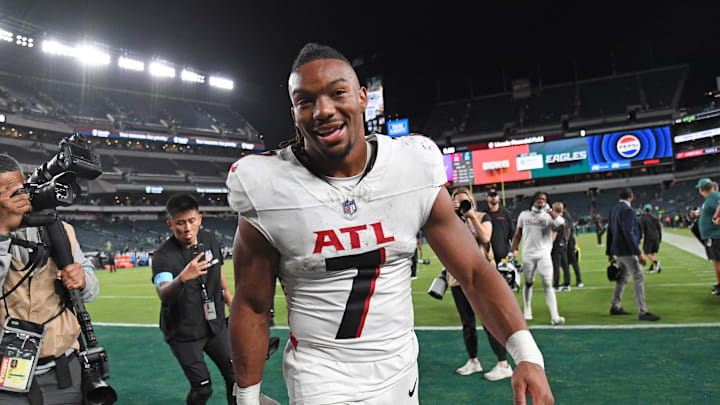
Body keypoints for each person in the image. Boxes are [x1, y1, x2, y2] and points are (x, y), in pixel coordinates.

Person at [226, 43, 553, 404]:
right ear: (294, 113)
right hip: (320, 378)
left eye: (337, 93)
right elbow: (252, 305)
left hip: (400, 373)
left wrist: (527, 355)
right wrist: (247, 395)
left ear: (363, 97)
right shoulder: (268, 186)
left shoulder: (410, 167)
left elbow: (474, 272)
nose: (323, 110)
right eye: (306, 101)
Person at [0, 153, 100, 405]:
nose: (10, 198)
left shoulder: (60, 229)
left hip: (64, 371)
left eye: (14, 189)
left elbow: (90, 292)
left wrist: (82, 278)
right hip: (5, 375)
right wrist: (2, 233)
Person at [151, 194, 235, 405]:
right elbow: (163, 292)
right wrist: (182, 278)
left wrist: (229, 298)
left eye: (191, 221)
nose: (187, 228)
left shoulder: (210, 239)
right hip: (184, 332)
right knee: (203, 388)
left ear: (200, 218)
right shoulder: (163, 256)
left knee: (236, 377)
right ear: (170, 224)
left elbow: (218, 270)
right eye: (180, 223)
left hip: (215, 326)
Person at [448, 187, 511, 381]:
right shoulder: (449, 222)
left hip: (480, 275)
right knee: (467, 323)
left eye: (465, 200)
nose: (461, 204)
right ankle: (473, 361)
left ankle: (503, 364)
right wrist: (455, 216)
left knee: (489, 320)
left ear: (472, 201)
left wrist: (471, 217)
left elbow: (485, 237)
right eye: (457, 201)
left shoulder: (483, 217)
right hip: (457, 277)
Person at [511, 191, 566, 325]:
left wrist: (550, 211)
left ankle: (555, 316)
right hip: (528, 254)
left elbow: (562, 224)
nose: (541, 201)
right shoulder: (524, 215)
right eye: (539, 198)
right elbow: (518, 234)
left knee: (548, 283)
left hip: (544, 254)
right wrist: (513, 249)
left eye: (544, 199)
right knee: (529, 282)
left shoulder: (549, 216)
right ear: (534, 200)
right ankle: (527, 309)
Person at [606, 188, 660, 321]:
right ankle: (643, 311)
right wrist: (638, 253)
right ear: (631, 196)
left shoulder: (613, 209)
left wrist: (609, 251)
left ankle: (615, 306)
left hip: (618, 250)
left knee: (622, 278)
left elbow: (610, 232)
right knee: (638, 277)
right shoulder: (628, 210)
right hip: (627, 250)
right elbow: (628, 232)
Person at [695, 178, 720, 296]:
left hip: (715, 236)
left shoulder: (714, 196)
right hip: (712, 236)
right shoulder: (710, 198)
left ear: (701, 189)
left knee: (717, 261)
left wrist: (715, 217)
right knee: (716, 261)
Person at [550, 202, 571, 292]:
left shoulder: (556, 220)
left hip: (557, 245)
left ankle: (556, 285)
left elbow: (554, 234)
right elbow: (568, 231)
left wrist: (549, 244)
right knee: (565, 265)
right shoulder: (564, 219)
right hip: (563, 244)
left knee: (556, 266)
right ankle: (567, 284)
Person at [561, 202, 583, 287]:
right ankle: (568, 281)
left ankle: (578, 280)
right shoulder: (565, 215)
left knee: (572, 262)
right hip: (568, 242)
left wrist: (566, 241)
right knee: (566, 263)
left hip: (569, 243)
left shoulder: (566, 216)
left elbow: (568, 230)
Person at [639, 204, 662, 273]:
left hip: (648, 237)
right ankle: (651, 268)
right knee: (652, 252)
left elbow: (641, 229)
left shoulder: (643, 218)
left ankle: (656, 263)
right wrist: (660, 238)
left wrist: (639, 237)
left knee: (647, 252)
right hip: (656, 237)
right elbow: (659, 229)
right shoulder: (655, 218)